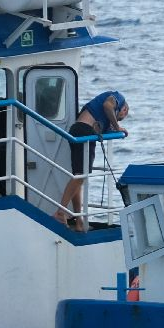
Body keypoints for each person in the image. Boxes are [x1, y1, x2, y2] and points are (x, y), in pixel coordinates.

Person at [55, 90, 129, 230]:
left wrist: (114, 130)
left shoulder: (102, 117)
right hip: (84, 131)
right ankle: (61, 211)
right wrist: (118, 126)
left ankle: (78, 220)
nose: (116, 120)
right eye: (119, 117)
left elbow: (103, 123)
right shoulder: (118, 97)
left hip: (79, 130)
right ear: (124, 109)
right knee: (80, 176)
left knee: (79, 176)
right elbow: (108, 106)